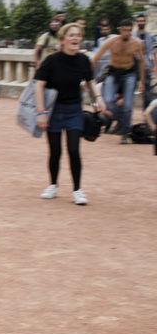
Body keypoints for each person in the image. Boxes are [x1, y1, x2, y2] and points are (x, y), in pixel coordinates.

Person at [35, 23, 102, 206]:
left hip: (74, 109)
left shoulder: (83, 60)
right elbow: (39, 86)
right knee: (55, 150)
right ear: (63, 40)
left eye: (78, 35)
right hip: (54, 110)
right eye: (72, 35)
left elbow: (91, 81)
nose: (76, 38)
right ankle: (53, 185)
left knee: (74, 149)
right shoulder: (51, 60)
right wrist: (41, 112)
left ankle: (77, 190)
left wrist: (99, 98)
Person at [92, 19, 146, 143]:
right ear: (119, 30)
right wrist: (89, 78)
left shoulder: (137, 43)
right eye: (124, 30)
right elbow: (95, 59)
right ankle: (126, 124)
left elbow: (142, 63)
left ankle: (125, 131)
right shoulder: (111, 41)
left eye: (129, 30)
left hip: (129, 74)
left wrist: (142, 82)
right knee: (109, 100)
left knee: (127, 105)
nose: (127, 33)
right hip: (114, 72)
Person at [132, 13, 155, 109]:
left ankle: (147, 116)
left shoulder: (150, 36)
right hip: (133, 65)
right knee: (129, 89)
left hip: (146, 66)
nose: (141, 22)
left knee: (147, 93)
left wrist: (154, 67)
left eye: (142, 20)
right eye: (139, 21)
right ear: (136, 22)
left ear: (145, 22)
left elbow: (154, 52)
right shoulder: (132, 35)